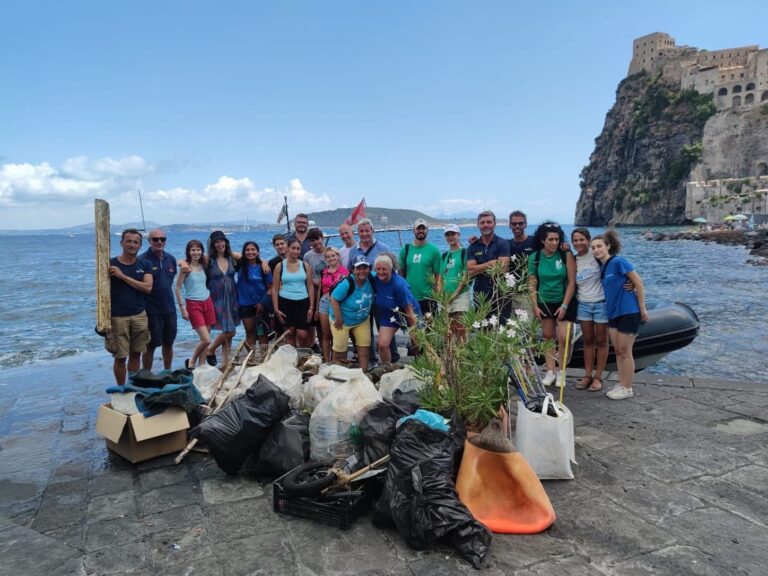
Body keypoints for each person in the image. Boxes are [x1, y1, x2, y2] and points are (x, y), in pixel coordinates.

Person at [591, 230, 649, 400]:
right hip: (613, 312)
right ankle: (621, 382)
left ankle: (627, 387)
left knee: (625, 351)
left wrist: (642, 308)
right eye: (593, 248)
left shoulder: (618, 261)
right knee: (617, 351)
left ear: (608, 246)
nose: (596, 250)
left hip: (628, 311)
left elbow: (638, 282)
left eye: (599, 246)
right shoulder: (603, 268)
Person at [527, 222, 576, 387]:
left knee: (563, 337)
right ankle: (550, 371)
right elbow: (532, 283)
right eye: (550, 239)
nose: (554, 243)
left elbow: (571, 281)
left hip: (563, 300)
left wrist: (565, 305)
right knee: (548, 337)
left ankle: (562, 372)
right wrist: (535, 305)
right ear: (542, 240)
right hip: (544, 301)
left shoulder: (565, 254)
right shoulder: (535, 257)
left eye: (557, 239)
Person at [346, 217, 398, 361]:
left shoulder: (383, 248)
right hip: (362, 297)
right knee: (364, 330)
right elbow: (350, 272)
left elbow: (393, 272)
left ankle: (392, 358)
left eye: (367, 230)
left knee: (385, 326)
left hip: (380, 296)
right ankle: (370, 360)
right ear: (358, 233)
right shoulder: (353, 251)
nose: (364, 234)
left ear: (372, 231)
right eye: (361, 231)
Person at [106, 229, 153, 385]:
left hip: (139, 314)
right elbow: (101, 293)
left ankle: (132, 388)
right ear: (122, 243)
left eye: (136, 242)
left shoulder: (144, 264)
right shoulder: (111, 264)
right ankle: (121, 389)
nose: (132, 245)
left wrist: (123, 276)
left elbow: (148, 287)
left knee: (136, 354)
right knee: (120, 357)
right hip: (118, 316)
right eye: (129, 241)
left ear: (140, 245)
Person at [571, 228, 608, 392]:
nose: (579, 243)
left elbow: (615, 268)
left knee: (601, 341)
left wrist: (629, 285)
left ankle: (598, 377)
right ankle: (587, 375)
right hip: (584, 304)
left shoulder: (596, 255)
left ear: (588, 240)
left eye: (582, 239)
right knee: (588, 341)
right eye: (575, 240)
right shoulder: (573, 259)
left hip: (601, 303)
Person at [140, 228, 178, 371]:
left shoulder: (171, 259)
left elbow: (169, 282)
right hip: (150, 310)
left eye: (162, 239)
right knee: (150, 344)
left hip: (169, 309)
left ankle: (167, 371)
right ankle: (147, 374)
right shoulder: (143, 260)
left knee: (168, 342)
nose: (159, 242)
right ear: (149, 241)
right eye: (155, 239)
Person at [175, 239, 216, 369]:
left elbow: (220, 253)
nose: (196, 252)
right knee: (206, 340)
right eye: (193, 250)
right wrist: (182, 309)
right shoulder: (185, 268)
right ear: (188, 252)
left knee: (207, 337)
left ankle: (202, 365)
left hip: (208, 301)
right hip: (193, 304)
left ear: (201, 251)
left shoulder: (203, 264)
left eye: (198, 249)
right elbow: (177, 288)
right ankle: (192, 360)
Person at [371, 255, 419, 364]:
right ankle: (388, 369)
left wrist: (415, 330)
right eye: (378, 269)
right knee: (382, 345)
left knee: (417, 342)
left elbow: (409, 309)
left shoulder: (399, 285)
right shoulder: (375, 279)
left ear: (391, 269)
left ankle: (422, 366)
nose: (381, 272)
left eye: (384, 269)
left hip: (408, 313)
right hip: (389, 314)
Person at [329, 256, 374, 369]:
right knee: (340, 350)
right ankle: (337, 373)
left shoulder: (372, 279)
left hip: (361, 320)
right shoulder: (348, 282)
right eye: (358, 268)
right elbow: (334, 298)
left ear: (369, 268)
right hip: (342, 320)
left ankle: (364, 373)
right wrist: (338, 318)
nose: (362, 271)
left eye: (365, 268)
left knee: (364, 348)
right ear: (353, 269)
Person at [205, 230, 240, 367]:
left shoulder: (231, 257)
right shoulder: (209, 260)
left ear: (226, 242)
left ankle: (225, 363)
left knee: (228, 330)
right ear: (213, 245)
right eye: (217, 242)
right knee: (230, 331)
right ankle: (211, 349)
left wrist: (264, 263)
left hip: (232, 297)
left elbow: (251, 256)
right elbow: (190, 260)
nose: (220, 244)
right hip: (216, 298)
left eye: (222, 241)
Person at [272, 238, 315, 347]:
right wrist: (276, 309)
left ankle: (302, 356)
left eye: (298, 249)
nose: (295, 251)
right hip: (285, 301)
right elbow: (275, 288)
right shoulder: (280, 266)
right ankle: (291, 358)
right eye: (293, 248)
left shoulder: (305, 266)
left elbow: (310, 286)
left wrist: (311, 306)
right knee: (289, 332)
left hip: (303, 301)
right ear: (287, 248)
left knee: (303, 335)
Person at [467, 210, 510, 318]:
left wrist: (479, 268)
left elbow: (502, 269)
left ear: (494, 224)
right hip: (480, 297)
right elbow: (470, 271)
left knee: (501, 332)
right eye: (482, 222)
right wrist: (491, 263)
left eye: (489, 222)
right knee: (482, 332)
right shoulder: (473, 247)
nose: (486, 225)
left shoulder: (502, 243)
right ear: (478, 225)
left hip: (500, 296)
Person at [398, 219, 441, 316]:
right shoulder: (405, 249)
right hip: (410, 298)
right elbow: (400, 273)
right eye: (418, 228)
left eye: (423, 228)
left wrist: (438, 294)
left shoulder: (434, 251)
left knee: (430, 329)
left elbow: (438, 275)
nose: (421, 231)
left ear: (427, 230)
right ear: (413, 230)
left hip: (429, 298)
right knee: (413, 329)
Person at [236, 241, 273, 353]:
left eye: (253, 250)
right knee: (250, 331)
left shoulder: (264, 268)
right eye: (247, 250)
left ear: (258, 252)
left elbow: (271, 288)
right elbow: (230, 253)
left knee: (262, 332)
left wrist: (262, 302)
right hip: (245, 304)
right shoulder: (240, 265)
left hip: (261, 304)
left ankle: (263, 356)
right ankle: (251, 357)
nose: (250, 252)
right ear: (244, 252)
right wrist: (263, 260)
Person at [437, 224, 470, 340]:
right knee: (448, 331)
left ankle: (461, 355)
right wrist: (440, 295)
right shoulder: (445, 255)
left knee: (461, 328)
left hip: (460, 296)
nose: (450, 237)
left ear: (458, 235)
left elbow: (465, 277)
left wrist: (455, 294)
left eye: (453, 234)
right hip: (445, 298)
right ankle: (450, 356)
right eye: (448, 234)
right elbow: (440, 277)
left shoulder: (464, 253)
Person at [317, 247, 348, 361]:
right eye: (328, 256)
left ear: (338, 256)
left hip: (338, 305)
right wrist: (316, 308)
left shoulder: (344, 272)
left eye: (333, 255)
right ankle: (326, 359)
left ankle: (337, 359)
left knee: (337, 333)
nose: (331, 258)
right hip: (324, 302)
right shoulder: (323, 272)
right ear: (325, 259)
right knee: (326, 333)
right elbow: (320, 289)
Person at [508, 210, 536, 315]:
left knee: (527, 328)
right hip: (511, 294)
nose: (517, 226)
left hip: (529, 294)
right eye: (514, 224)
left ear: (526, 224)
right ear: (510, 225)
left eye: (520, 223)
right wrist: (476, 242)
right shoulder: (507, 245)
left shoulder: (535, 242)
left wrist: (564, 246)